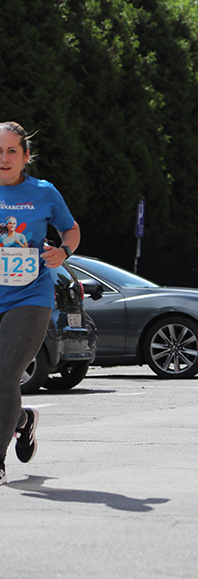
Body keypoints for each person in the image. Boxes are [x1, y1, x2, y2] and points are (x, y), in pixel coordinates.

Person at [0, 121, 80, 485]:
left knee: (5, 374)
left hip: (30, 296)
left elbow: (71, 229)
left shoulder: (44, 193)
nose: (4, 158)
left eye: (11, 151)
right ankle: (21, 419)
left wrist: (63, 251)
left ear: (25, 156)